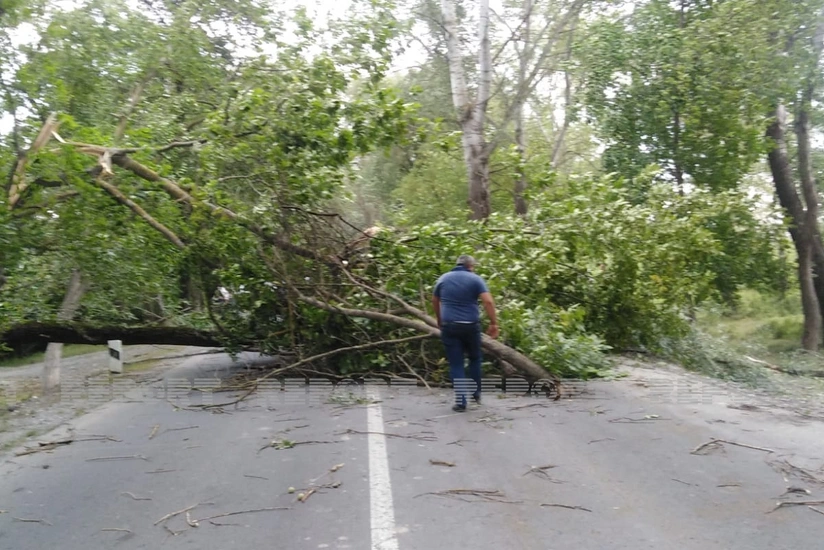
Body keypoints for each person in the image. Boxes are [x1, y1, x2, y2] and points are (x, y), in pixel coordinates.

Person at [432, 254, 499, 412]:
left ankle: (461, 402)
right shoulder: (475, 279)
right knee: (475, 358)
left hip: (450, 325)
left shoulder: (443, 278)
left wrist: (439, 319)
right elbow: (488, 301)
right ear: (471, 266)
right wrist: (494, 323)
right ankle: (476, 393)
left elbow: (435, 300)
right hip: (470, 326)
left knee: (456, 363)